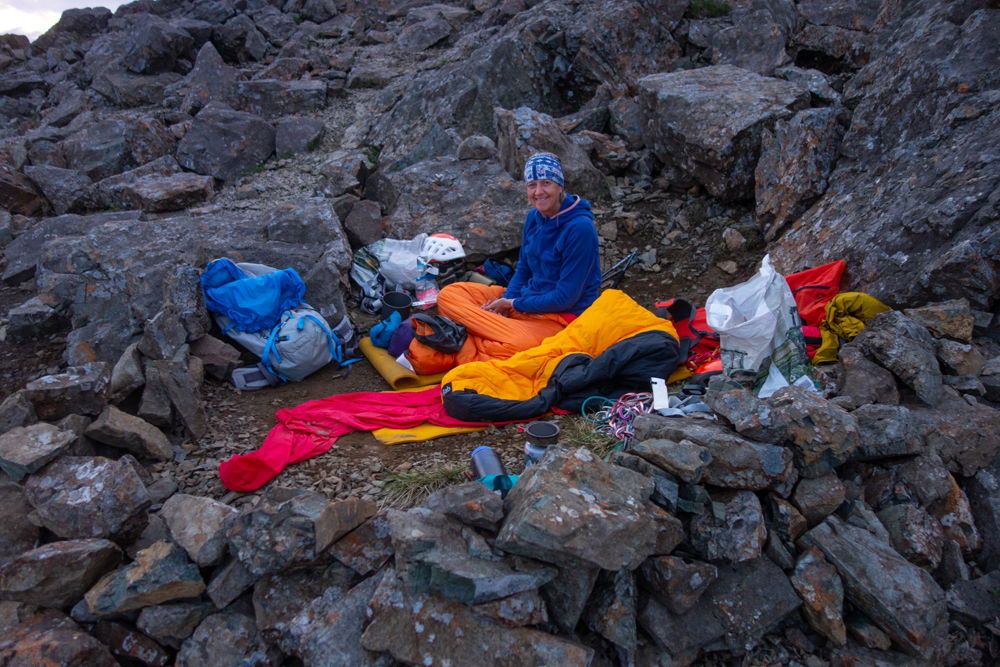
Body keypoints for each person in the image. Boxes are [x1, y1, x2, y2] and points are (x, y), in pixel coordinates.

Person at [407, 152, 602, 373]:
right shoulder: (534, 217)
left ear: (559, 186)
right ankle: (489, 332)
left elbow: (566, 297)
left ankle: (478, 334)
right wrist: (507, 300)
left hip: (560, 318)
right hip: (524, 302)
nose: (538, 192)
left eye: (546, 183)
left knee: (518, 347)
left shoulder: (580, 229)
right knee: (449, 294)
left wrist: (511, 305)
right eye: (532, 185)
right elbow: (524, 268)